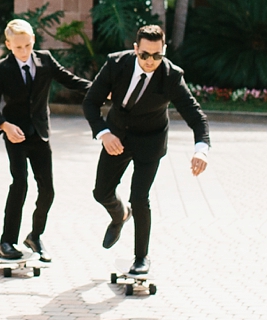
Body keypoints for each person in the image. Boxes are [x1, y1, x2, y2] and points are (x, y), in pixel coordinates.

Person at [82, 22, 210, 278]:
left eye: (157, 55)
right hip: (116, 136)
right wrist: (104, 133)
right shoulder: (116, 64)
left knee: (140, 198)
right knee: (101, 192)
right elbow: (91, 102)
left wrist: (201, 149)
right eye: (144, 55)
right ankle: (120, 216)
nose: (151, 61)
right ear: (135, 49)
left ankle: (141, 257)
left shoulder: (172, 76)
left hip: (150, 141)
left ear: (163, 51)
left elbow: (195, 114)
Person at [0, 15, 85, 262]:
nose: (24, 51)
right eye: (18, 46)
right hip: (16, 135)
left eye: (28, 45)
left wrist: (101, 90)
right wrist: (4, 125)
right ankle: (6, 241)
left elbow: (71, 81)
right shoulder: (1, 69)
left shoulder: (45, 61)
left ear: (33, 41)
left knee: (48, 190)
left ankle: (35, 235)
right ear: (9, 45)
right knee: (19, 184)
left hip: (40, 134)